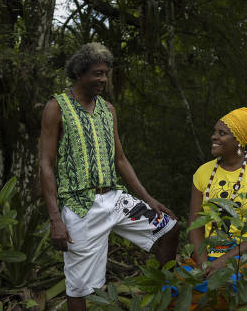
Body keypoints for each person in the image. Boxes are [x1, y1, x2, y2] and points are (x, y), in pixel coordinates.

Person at [40, 42, 179, 311]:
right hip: (81, 207)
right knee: (79, 287)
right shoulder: (57, 107)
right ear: (80, 73)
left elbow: (120, 159)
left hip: (115, 200)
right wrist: (55, 219)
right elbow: (46, 164)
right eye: (97, 73)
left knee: (170, 227)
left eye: (106, 73)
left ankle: (166, 299)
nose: (103, 79)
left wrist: (148, 198)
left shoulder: (108, 109)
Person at [188, 107, 247, 292]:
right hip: (209, 254)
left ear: (239, 140)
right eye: (215, 132)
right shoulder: (202, 173)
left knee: (223, 287)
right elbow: (194, 223)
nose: (214, 136)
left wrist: (226, 260)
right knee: (177, 287)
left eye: (222, 133)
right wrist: (203, 263)